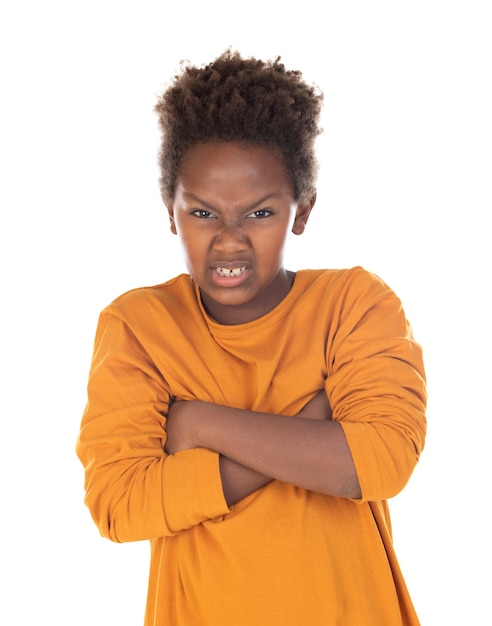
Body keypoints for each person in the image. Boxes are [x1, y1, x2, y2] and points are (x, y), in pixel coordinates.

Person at [76, 49, 427, 625]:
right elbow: (120, 504)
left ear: (302, 210)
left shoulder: (355, 304)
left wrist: (198, 424)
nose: (230, 241)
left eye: (259, 214)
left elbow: (381, 462)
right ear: (171, 212)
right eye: (204, 213)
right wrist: (317, 427)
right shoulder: (139, 325)